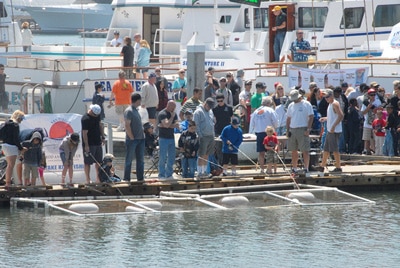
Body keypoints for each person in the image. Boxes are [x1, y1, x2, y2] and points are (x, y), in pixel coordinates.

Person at [315, 89, 344, 173]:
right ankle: (322, 166)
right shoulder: (330, 104)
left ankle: (338, 167)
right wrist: (326, 118)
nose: (326, 98)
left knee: (335, 149)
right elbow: (333, 116)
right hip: (330, 130)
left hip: (334, 131)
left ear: (332, 96)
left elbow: (341, 116)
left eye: (327, 96)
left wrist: (334, 126)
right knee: (326, 149)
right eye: (325, 97)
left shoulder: (335, 103)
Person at [286, 89, 314, 173]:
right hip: (292, 129)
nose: (294, 100)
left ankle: (306, 168)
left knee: (305, 150)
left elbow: (311, 117)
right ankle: (294, 168)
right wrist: (287, 130)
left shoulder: (306, 104)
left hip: (303, 128)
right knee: (293, 150)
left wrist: (308, 129)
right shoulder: (291, 105)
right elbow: (288, 118)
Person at [249, 97, 279, 173]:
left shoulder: (256, 111)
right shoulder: (270, 110)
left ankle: (262, 169)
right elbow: (276, 123)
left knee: (261, 152)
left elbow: (252, 124)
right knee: (271, 151)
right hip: (269, 133)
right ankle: (270, 169)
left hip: (259, 133)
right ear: (269, 103)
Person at [2, 110, 27, 188]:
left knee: (9, 165)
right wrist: (21, 148)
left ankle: (7, 182)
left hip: (5, 145)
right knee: (11, 165)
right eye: (21, 118)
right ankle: (8, 183)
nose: (21, 120)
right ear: (18, 117)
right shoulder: (15, 125)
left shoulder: (6, 123)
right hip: (11, 146)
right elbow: (16, 139)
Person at [124, 93, 145, 182]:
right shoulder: (129, 111)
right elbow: (127, 125)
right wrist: (131, 137)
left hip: (140, 139)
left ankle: (140, 178)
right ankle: (126, 178)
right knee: (129, 160)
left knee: (140, 160)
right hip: (133, 139)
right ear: (137, 100)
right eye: (140, 100)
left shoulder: (136, 110)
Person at [81, 104, 104, 184]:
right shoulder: (85, 118)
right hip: (89, 143)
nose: (95, 116)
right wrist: (86, 145)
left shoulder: (97, 116)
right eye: (94, 114)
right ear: (91, 111)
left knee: (99, 161)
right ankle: (88, 179)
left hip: (97, 142)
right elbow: (84, 133)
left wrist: (103, 136)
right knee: (87, 162)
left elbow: (100, 125)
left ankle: (98, 178)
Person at [193, 98, 216, 179]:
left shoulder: (210, 111)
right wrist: (200, 135)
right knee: (201, 155)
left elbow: (212, 122)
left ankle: (205, 171)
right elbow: (196, 125)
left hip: (210, 136)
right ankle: (199, 172)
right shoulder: (198, 112)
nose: (210, 108)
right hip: (203, 136)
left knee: (207, 155)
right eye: (209, 106)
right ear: (205, 104)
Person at [157, 100, 179, 180]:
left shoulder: (174, 114)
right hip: (163, 138)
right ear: (168, 106)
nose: (173, 109)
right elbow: (166, 124)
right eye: (172, 107)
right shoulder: (162, 114)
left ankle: (169, 174)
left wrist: (167, 125)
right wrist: (171, 118)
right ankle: (161, 174)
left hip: (171, 138)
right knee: (163, 157)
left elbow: (177, 125)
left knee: (172, 157)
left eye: (174, 108)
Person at [361, 88, 382, 155]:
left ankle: (376, 151)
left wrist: (376, 109)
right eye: (371, 95)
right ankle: (367, 151)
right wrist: (368, 108)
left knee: (375, 138)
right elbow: (363, 112)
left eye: (374, 95)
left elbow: (381, 111)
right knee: (366, 138)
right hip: (367, 123)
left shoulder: (378, 102)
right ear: (368, 95)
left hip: (376, 123)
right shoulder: (366, 102)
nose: (372, 96)